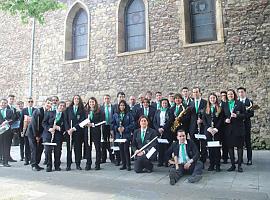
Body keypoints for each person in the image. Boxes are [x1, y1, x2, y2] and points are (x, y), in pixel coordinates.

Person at [223, 89, 246, 172]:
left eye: (231, 94)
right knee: (230, 147)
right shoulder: (224, 105)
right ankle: (233, 165)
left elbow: (245, 115)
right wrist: (225, 120)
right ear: (227, 96)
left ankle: (239, 165)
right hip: (228, 130)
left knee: (239, 147)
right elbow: (221, 117)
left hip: (238, 129)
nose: (230, 95)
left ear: (234, 95)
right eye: (228, 94)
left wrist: (237, 115)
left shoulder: (240, 103)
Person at [28, 98, 52, 171]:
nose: (49, 105)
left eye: (50, 104)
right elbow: (34, 124)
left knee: (40, 149)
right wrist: (36, 136)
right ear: (45, 103)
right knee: (34, 149)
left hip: (42, 133)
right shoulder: (38, 111)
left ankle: (37, 164)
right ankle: (33, 165)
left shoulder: (49, 112)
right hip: (33, 133)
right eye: (48, 103)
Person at [64, 95, 86, 171]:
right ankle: (68, 165)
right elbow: (65, 120)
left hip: (77, 132)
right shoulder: (68, 109)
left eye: (78, 99)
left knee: (78, 148)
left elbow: (82, 121)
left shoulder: (82, 110)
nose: (76, 100)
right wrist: (68, 129)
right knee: (69, 149)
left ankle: (78, 164)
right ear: (73, 100)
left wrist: (74, 128)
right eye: (75, 98)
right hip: (69, 132)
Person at [43, 101, 65, 172]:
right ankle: (49, 166)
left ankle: (57, 166)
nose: (62, 107)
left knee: (58, 151)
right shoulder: (50, 113)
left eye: (63, 106)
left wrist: (59, 128)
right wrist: (49, 129)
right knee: (48, 151)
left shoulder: (64, 115)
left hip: (58, 135)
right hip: (48, 134)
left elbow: (66, 125)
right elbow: (44, 123)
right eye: (60, 105)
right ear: (57, 106)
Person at [202, 93, 223, 172]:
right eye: (211, 98)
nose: (212, 99)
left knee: (217, 149)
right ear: (209, 99)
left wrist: (216, 129)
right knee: (210, 149)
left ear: (216, 99)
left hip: (217, 131)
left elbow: (221, 119)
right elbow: (204, 120)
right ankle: (211, 164)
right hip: (208, 131)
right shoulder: (205, 109)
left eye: (214, 98)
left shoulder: (220, 108)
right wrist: (208, 128)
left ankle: (217, 165)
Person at [112, 100, 135, 171]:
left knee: (126, 149)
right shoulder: (115, 114)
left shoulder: (129, 114)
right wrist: (117, 128)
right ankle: (124, 164)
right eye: (121, 105)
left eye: (123, 105)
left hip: (126, 135)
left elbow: (132, 124)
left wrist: (125, 128)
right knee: (121, 149)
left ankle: (128, 164)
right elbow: (112, 124)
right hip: (119, 135)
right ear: (119, 106)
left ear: (125, 106)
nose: (122, 107)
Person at [84, 97, 104, 170]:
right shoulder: (86, 111)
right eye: (90, 102)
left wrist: (92, 124)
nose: (91, 103)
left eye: (93, 102)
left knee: (97, 148)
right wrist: (85, 124)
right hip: (87, 131)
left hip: (96, 131)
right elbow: (83, 120)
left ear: (95, 102)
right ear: (88, 103)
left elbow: (102, 121)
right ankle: (88, 164)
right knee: (88, 148)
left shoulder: (99, 111)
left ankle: (97, 164)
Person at [189, 87, 207, 166]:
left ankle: (203, 160)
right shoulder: (190, 103)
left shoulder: (205, 102)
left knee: (203, 144)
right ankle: (196, 159)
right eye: (194, 92)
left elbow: (208, 114)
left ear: (200, 93)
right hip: (193, 127)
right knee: (195, 144)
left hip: (202, 126)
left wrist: (202, 121)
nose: (195, 94)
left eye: (197, 92)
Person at [153, 98, 174, 167]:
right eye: (163, 103)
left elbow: (170, 121)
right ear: (161, 104)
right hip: (159, 131)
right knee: (160, 147)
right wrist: (158, 128)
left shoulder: (170, 111)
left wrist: (164, 128)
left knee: (167, 147)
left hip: (167, 131)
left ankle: (167, 161)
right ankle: (160, 161)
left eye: (165, 103)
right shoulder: (157, 111)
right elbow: (154, 121)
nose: (164, 104)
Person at [237, 87, 254, 165]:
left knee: (248, 142)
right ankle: (240, 159)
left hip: (246, 124)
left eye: (242, 92)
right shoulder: (236, 102)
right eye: (239, 92)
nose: (241, 93)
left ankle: (249, 159)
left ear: (245, 92)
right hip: (239, 125)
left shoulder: (249, 102)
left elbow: (252, 113)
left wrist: (243, 115)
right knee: (239, 143)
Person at [20, 97, 36, 165]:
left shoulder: (35, 110)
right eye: (29, 101)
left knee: (32, 145)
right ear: (27, 102)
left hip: (33, 130)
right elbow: (21, 121)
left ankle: (32, 159)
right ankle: (26, 159)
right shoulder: (24, 110)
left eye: (31, 101)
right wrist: (21, 131)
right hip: (26, 130)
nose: (30, 103)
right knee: (26, 145)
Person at [100, 94, 115, 163]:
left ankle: (112, 158)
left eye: (108, 98)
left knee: (111, 142)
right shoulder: (101, 108)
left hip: (111, 126)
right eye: (105, 98)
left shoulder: (113, 107)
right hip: (103, 126)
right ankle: (103, 158)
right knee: (103, 142)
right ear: (103, 100)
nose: (106, 100)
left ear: (110, 99)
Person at [0, 98, 14, 167]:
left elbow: (13, 119)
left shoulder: (10, 111)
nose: (3, 104)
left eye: (5, 103)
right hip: (0, 131)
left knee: (6, 146)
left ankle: (5, 162)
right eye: (2, 103)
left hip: (7, 131)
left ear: (6, 104)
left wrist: (7, 122)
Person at [219, 90, 229, 164]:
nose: (223, 97)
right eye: (222, 95)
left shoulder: (228, 104)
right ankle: (218, 157)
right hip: (219, 126)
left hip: (226, 126)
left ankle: (225, 157)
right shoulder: (219, 104)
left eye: (224, 95)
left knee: (225, 143)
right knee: (219, 142)